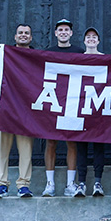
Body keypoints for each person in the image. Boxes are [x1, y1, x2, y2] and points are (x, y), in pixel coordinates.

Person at [0, 23, 35, 199]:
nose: (23, 35)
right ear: (15, 36)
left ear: (31, 37)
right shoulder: (5, 55)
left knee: (26, 150)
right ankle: (1, 184)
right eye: (20, 32)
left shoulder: (36, 57)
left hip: (26, 112)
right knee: (2, 150)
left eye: (27, 33)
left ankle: (23, 185)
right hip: (5, 109)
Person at [43, 18, 82, 197]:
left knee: (71, 142)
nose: (64, 32)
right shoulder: (48, 52)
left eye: (67, 29)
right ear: (56, 33)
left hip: (73, 101)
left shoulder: (79, 52)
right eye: (61, 30)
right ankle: (49, 183)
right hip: (53, 101)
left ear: (71, 33)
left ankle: (70, 184)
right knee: (51, 142)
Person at [75, 27, 107, 198]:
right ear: (84, 40)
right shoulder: (77, 59)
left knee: (98, 147)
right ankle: (81, 183)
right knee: (81, 146)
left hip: (99, 108)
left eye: (94, 37)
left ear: (98, 41)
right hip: (80, 108)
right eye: (88, 37)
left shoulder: (106, 59)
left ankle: (97, 182)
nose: (91, 39)